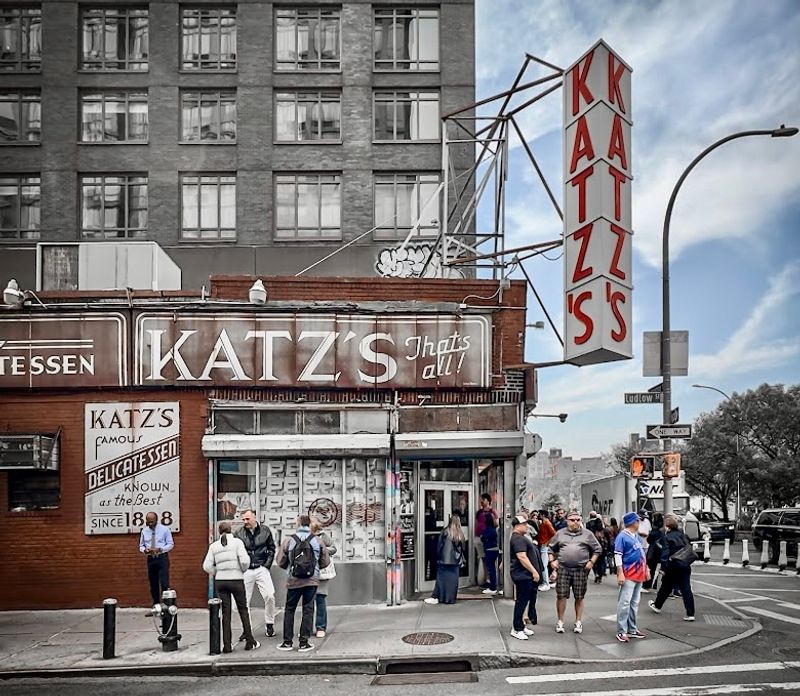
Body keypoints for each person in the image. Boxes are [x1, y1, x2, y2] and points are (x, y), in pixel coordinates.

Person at [202, 520, 260, 653]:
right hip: (236, 580)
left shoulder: (214, 546)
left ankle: (227, 645)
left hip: (221, 582)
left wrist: (218, 572)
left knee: (225, 613)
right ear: (230, 530)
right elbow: (245, 561)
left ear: (219, 531)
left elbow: (206, 566)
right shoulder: (237, 543)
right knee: (243, 610)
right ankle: (250, 641)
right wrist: (241, 570)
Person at [275, 514, 331, 652]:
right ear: (309, 524)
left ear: (298, 524)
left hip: (293, 580)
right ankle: (304, 643)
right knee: (308, 609)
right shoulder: (317, 540)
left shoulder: (289, 540)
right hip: (311, 580)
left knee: (290, 609)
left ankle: (287, 642)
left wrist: (290, 568)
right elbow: (325, 562)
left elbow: (280, 561)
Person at [548, 510, 602, 634]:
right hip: (563, 568)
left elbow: (598, 549)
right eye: (572, 520)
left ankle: (578, 621)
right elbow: (550, 548)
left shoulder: (587, 534)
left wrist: (591, 562)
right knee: (561, 595)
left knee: (579, 596)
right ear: (567, 521)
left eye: (578, 520)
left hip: (580, 569)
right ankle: (560, 621)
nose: (575, 522)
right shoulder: (560, 533)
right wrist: (552, 561)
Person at [234, 509, 277, 639]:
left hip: (261, 567)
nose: (245, 522)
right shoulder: (238, 533)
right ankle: (246, 629)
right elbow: (236, 552)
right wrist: (241, 567)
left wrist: (266, 566)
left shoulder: (265, 531)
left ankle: (269, 623)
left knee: (269, 595)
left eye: (247, 519)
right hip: (246, 569)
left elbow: (271, 548)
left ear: (254, 518)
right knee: (243, 601)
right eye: (243, 519)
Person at [648, 515, 696, 621]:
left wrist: (663, 568)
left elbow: (665, 554)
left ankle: (657, 605)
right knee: (686, 588)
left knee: (666, 586)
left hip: (673, 566)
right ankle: (690, 613)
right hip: (685, 564)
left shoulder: (667, 537)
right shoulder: (683, 535)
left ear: (667, 527)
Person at [614, 512, 649, 642]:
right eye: (638, 521)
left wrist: (646, 569)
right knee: (625, 603)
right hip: (629, 574)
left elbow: (641, 554)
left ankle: (632, 629)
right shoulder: (622, 537)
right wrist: (620, 573)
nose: (639, 523)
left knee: (633, 603)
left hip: (638, 574)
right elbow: (618, 555)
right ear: (633, 522)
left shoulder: (636, 536)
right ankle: (621, 630)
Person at [509, 514, 543, 641]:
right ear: (517, 526)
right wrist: (534, 571)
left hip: (524, 575)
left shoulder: (520, 538)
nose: (526, 526)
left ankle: (521, 626)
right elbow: (522, 557)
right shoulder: (518, 539)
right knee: (521, 602)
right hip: (523, 575)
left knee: (524, 601)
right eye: (524, 524)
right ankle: (517, 628)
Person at [424, 514, 465, 605]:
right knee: (453, 581)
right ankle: (450, 598)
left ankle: (438, 597)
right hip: (455, 562)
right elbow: (463, 548)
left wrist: (438, 557)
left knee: (441, 580)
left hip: (444, 560)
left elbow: (439, 546)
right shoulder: (460, 534)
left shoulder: (445, 531)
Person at [138, 512, 174, 615]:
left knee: (164, 583)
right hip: (151, 558)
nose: (149, 524)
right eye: (148, 522)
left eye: (152, 522)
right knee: (153, 584)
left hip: (162, 557)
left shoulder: (164, 530)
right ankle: (156, 607)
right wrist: (144, 550)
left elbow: (171, 544)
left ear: (156, 520)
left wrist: (161, 549)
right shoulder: (144, 531)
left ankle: (166, 607)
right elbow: (141, 545)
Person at [310, 518, 337, 637]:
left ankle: (320, 627)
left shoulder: (323, 536)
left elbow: (333, 548)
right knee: (308, 601)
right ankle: (307, 628)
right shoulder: (301, 536)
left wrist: (322, 550)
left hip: (321, 572)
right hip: (307, 572)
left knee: (320, 599)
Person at [474, 493, 498, 587]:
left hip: (488, 538)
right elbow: (477, 523)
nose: (481, 502)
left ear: (488, 501)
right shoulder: (479, 512)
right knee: (483, 558)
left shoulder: (493, 511)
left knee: (489, 559)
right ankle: (486, 578)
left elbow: (496, 523)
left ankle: (490, 579)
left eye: (483, 500)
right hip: (479, 537)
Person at [642, 513, 665, 593]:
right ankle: (656, 585)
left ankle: (647, 584)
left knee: (650, 568)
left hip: (653, 551)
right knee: (660, 569)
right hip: (661, 551)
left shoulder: (655, 530)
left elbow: (649, 540)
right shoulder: (663, 530)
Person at [537, 510, 556, 591]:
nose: (538, 515)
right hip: (544, 544)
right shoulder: (545, 523)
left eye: (539, 514)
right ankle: (546, 582)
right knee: (544, 564)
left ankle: (546, 583)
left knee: (544, 565)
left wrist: (547, 542)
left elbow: (554, 533)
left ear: (543, 515)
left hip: (544, 545)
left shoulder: (546, 523)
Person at [481, 514, 500, 595]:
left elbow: (483, 538)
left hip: (489, 550)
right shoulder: (494, 529)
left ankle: (493, 587)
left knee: (491, 569)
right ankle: (493, 586)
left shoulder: (488, 529)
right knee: (492, 569)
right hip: (494, 550)